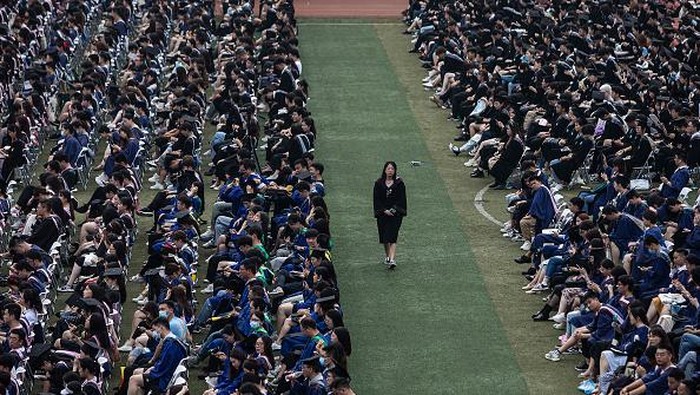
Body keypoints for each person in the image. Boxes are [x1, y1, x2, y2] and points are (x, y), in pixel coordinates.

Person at [372, 161, 407, 269]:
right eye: (388, 168)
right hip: (383, 214)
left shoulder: (399, 183)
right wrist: (383, 210)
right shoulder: (379, 183)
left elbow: (402, 199)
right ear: (385, 170)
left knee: (392, 236)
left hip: (395, 215)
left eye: (392, 169)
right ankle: (387, 256)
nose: (390, 171)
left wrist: (394, 210)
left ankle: (392, 259)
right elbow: (376, 199)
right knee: (384, 237)